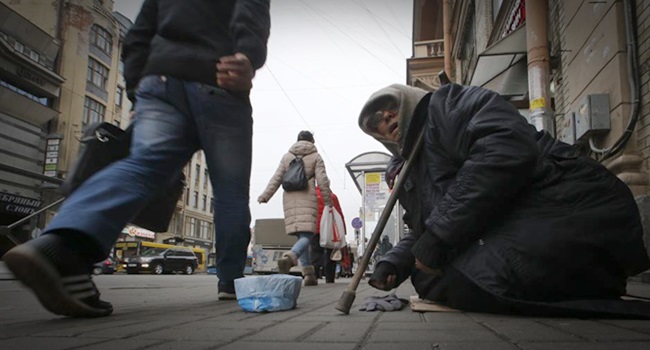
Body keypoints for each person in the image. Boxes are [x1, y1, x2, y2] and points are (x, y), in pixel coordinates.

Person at [4, 0, 271, 317]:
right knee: (230, 194)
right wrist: (247, 56)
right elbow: (250, 11)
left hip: (159, 81)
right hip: (220, 78)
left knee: (142, 166)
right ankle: (231, 281)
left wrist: (136, 89)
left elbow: (139, 34)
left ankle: (61, 248)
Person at [358, 83, 650, 318]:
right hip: (523, 222)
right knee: (436, 279)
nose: (385, 118)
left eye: (390, 107)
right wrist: (394, 263)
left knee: (462, 279)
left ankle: (589, 280)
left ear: (408, 98)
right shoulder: (411, 168)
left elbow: (504, 148)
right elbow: (424, 230)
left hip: (569, 206)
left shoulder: (448, 105)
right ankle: (585, 284)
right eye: (375, 120)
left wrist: (439, 236)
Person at [258, 131, 332, 286]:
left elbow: (276, 178)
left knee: (301, 236)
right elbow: (322, 180)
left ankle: (309, 275)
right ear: (312, 141)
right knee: (308, 235)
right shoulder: (316, 157)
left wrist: (265, 196)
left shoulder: (287, 157)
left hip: (289, 198)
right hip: (307, 195)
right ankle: (291, 257)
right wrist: (327, 201)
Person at [310, 186, 345, 283]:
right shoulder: (332, 197)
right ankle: (330, 278)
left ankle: (314, 275)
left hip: (314, 228)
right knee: (331, 253)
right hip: (329, 229)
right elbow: (338, 213)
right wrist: (343, 230)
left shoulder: (312, 196)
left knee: (316, 252)